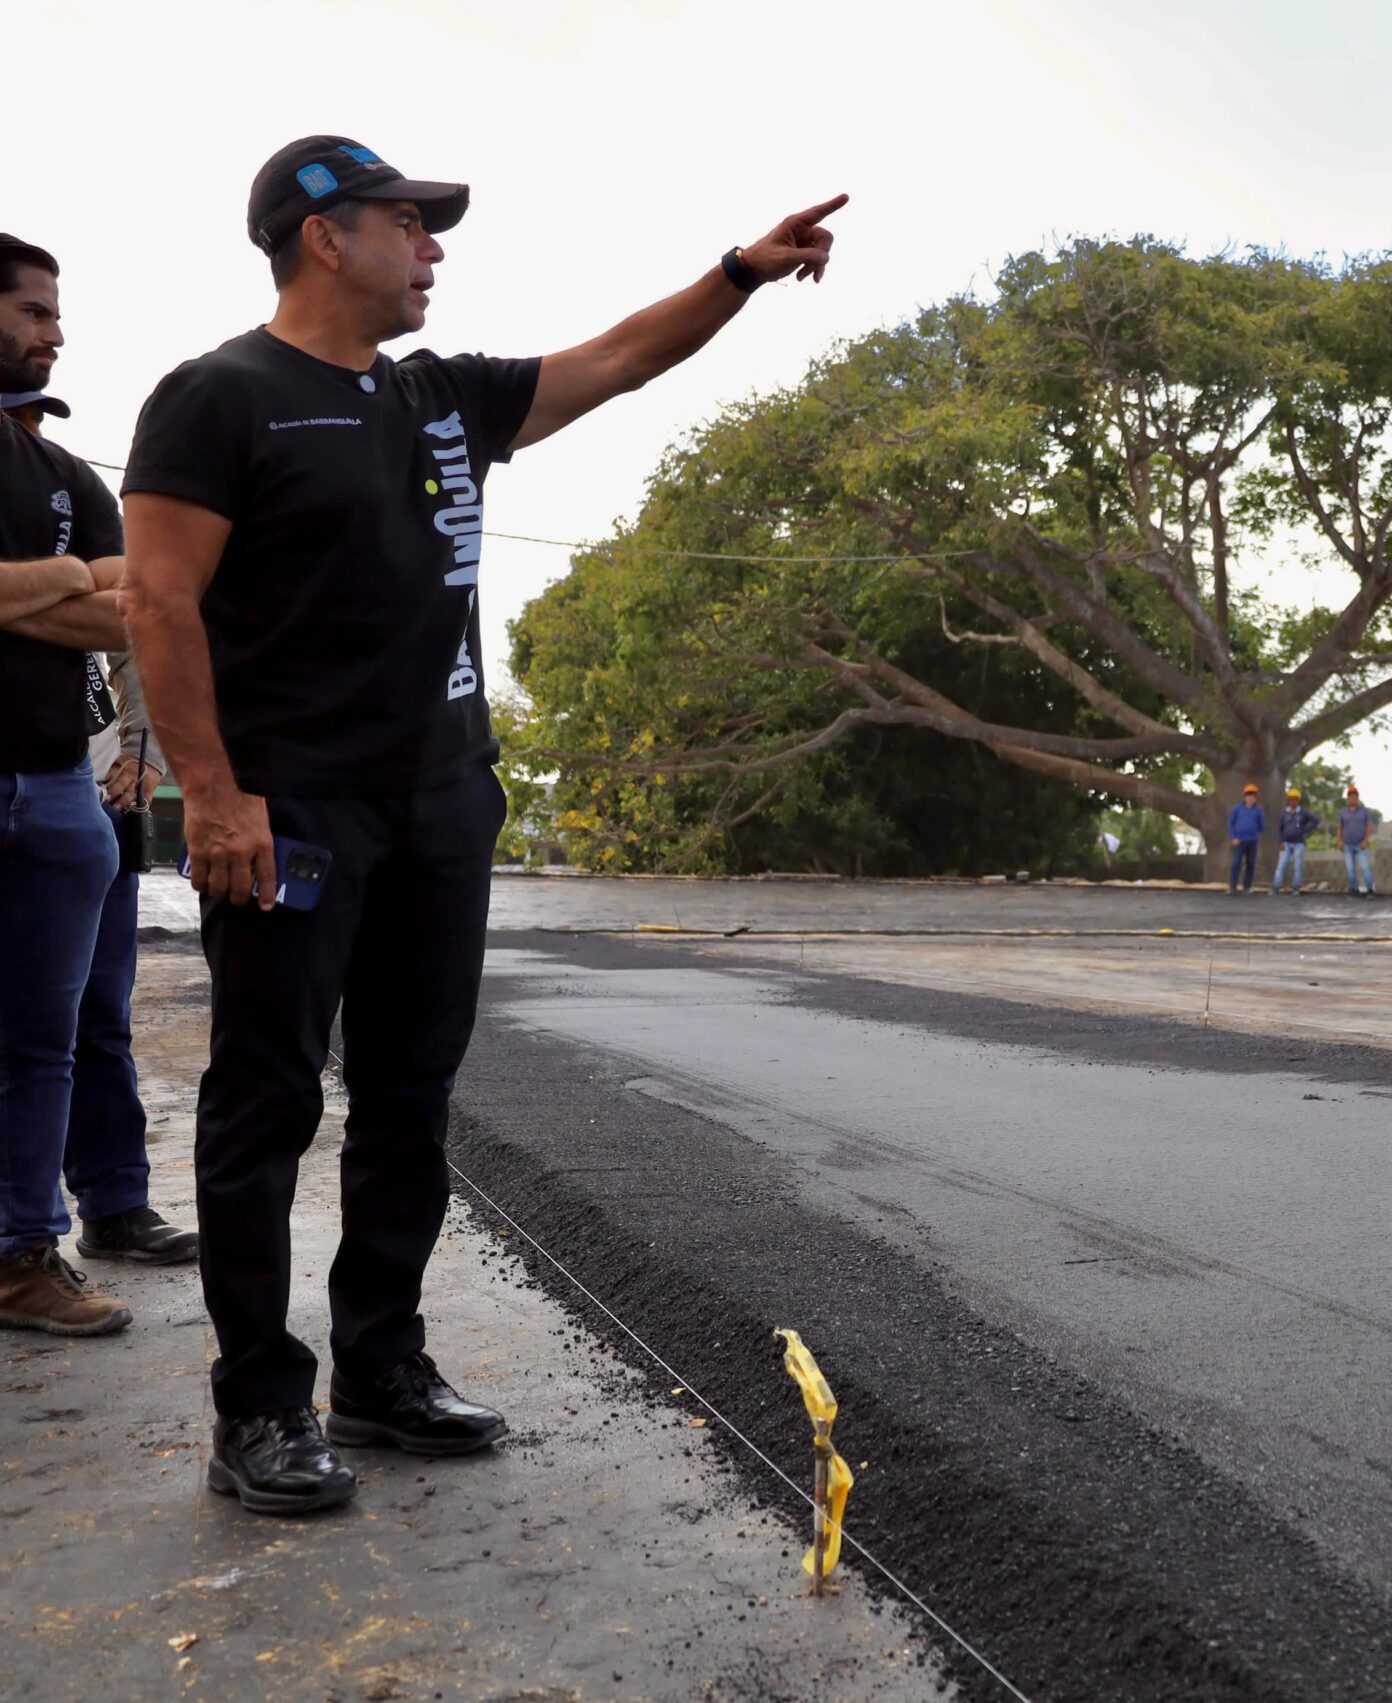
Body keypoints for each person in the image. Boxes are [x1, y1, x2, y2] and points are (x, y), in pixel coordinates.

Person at [121, 136, 846, 1517]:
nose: (434, 247)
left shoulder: (442, 399)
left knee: (410, 1089)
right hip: (294, 808)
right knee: (267, 1097)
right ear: (324, 236)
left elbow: (621, 357)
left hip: (445, 798)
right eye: (411, 223)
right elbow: (158, 603)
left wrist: (742, 272)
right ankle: (259, 1402)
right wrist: (209, 797)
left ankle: (379, 1366)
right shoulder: (218, 398)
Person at [5, 385, 199, 1268]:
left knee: (95, 1018)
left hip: (95, 795)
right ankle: (22, 1231)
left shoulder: (76, 494)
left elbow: (139, 617)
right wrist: (76, 586)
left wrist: (147, 749)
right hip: (28, 778)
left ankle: (114, 1203)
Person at [0, 234, 141, 1337]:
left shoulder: (63, 473)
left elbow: (131, 605)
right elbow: (94, 589)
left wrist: (23, 591)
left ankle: (18, 1255)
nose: (57, 332)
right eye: (38, 311)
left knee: (44, 1038)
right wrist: (72, 578)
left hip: (55, 787)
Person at [1272, 787, 1319, 896]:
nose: (1293, 801)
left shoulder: (1303, 812)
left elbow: (1316, 820)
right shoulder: (1284, 813)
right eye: (1291, 799)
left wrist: (1305, 829)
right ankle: (1276, 887)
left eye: (1295, 799)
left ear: (1298, 800)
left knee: (1298, 866)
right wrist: (1280, 841)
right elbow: (1279, 828)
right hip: (1286, 843)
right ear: (1288, 800)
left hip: (1299, 843)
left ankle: (1296, 887)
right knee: (1281, 864)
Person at [1337, 783, 1380, 898]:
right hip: (1347, 845)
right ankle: (1354, 890)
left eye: (1354, 796)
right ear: (1348, 798)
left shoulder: (1364, 811)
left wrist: (1366, 840)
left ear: (1357, 797)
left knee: (1365, 867)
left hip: (1361, 844)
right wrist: (1339, 841)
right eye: (1350, 796)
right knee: (1350, 869)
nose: (1352, 798)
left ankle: (1370, 890)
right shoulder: (1343, 812)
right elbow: (1340, 827)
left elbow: (1369, 826)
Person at [1226, 784, 1264, 894]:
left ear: (1255, 798)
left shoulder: (1258, 811)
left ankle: (1247, 886)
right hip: (1239, 841)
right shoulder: (1237, 809)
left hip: (1252, 841)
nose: (1250, 798)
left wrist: (1253, 829)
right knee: (1236, 863)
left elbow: (1262, 826)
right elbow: (1230, 823)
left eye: (1252, 796)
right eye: (1248, 795)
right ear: (1244, 797)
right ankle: (1232, 886)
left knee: (1251, 863)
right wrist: (1234, 837)